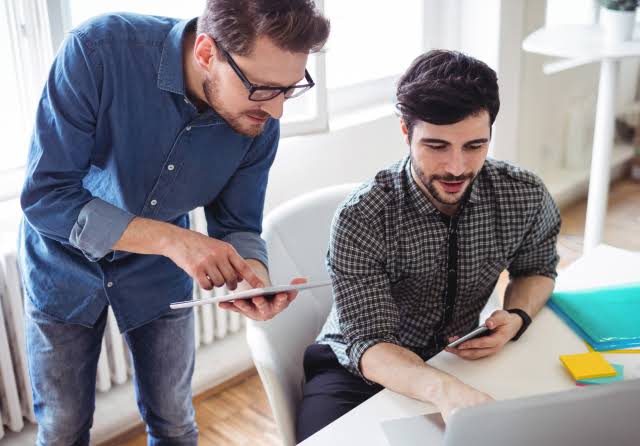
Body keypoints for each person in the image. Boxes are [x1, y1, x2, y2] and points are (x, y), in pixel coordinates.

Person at [19, 1, 329, 444]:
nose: (277, 110)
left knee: (174, 423)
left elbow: (238, 223)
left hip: (159, 274)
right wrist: (171, 239)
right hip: (60, 263)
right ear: (206, 53)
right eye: (262, 88)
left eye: (289, 88)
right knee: (63, 427)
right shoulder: (99, 50)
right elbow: (46, 195)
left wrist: (252, 276)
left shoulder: (260, 120)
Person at [296, 49, 561, 441]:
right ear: (406, 132)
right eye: (437, 146)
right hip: (358, 371)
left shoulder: (523, 194)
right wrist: (444, 390)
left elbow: (537, 268)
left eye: (474, 146)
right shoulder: (362, 218)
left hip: (458, 358)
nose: (457, 167)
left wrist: (518, 315)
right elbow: (370, 343)